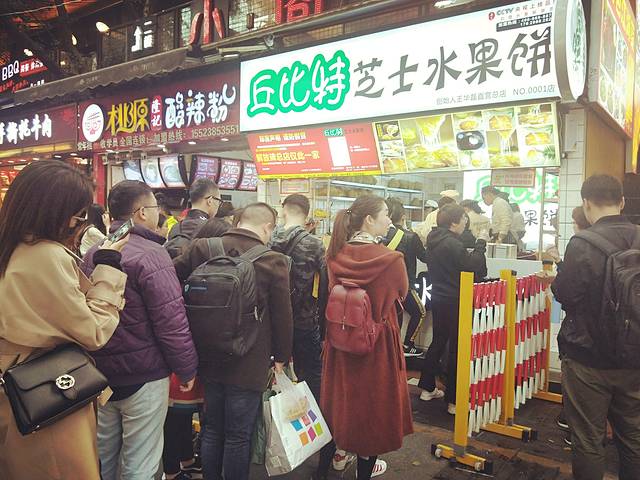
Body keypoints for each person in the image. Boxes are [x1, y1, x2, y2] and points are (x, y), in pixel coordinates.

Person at [0, 160, 127, 479]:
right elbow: (93, 331)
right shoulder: (45, 255)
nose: (79, 223)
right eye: (79, 214)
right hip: (48, 392)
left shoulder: (10, 246)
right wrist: (109, 268)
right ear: (55, 212)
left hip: (13, 388)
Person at [82, 180, 198, 480]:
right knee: (140, 461)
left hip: (99, 375)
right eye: (155, 208)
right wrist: (186, 368)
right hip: (144, 374)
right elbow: (170, 320)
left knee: (103, 456)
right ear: (142, 212)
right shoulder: (152, 254)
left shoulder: (93, 252)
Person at [174, 203, 293, 480]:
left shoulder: (202, 248)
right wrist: (281, 356)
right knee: (238, 435)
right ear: (267, 227)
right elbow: (282, 316)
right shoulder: (273, 260)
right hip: (249, 360)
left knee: (212, 428)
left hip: (206, 354)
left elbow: (169, 278)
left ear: (238, 221)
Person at [314, 195, 413, 480]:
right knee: (372, 407)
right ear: (369, 219)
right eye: (386, 214)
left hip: (340, 338)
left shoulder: (335, 254)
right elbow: (402, 293)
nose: (390, 220)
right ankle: (364, 471)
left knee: (338, 402)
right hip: (377, 343)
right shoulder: (391, 260)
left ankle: (323, 468)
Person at [551, 175, 640, 480]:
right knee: (634, 438)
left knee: (588, 440)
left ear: (586, 204)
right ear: (622, 202)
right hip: (634, 357)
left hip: (587, 359)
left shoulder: (582, 243)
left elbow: (565, 294)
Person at [418, 204, 487, 415]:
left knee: (438, 341)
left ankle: (427, 388)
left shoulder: (433, 240)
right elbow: (474, 266)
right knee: (457, 348)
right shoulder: (453, 244)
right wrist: (481, 243)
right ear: (454, 222)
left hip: (439, 298)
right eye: (464, 218)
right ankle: (454, 401)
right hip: (457, 300)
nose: (466, 222)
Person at [270, 194, 325, 400]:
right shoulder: (315, 244)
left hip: (272, 321)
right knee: (310, 374)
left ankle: (272, 415)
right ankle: (309, 414)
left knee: (271, 374)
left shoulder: (268, 239)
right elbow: (324, 284)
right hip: (304, 320)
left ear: (283, 210)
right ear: (307, 214)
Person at [382, 198, 428, 357]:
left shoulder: (379, 236)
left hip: (384, 286)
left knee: (392, 317)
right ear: (403, 217)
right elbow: (425, 257)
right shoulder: (411, 236)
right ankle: (408, 345)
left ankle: (391, 348)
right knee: (420, 312)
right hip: (406, 284)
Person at [166, 178, 222, 257]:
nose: (218, 205)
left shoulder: (175, 227)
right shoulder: (214, 228)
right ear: (210, 200)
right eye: (219, 201)